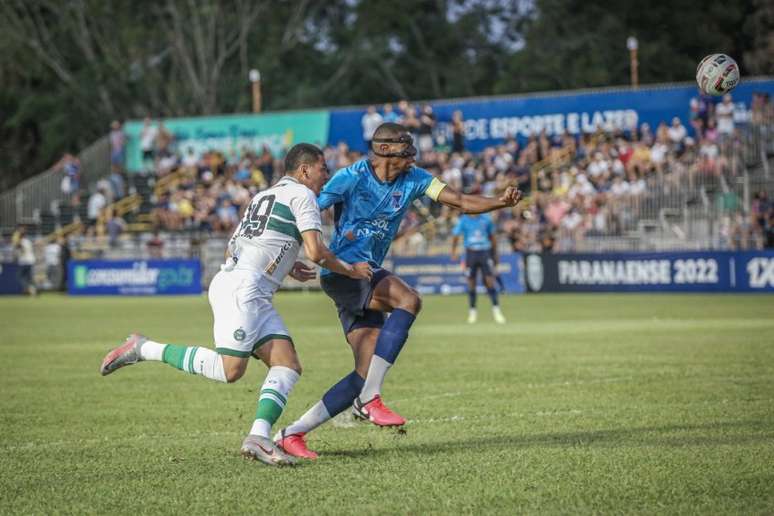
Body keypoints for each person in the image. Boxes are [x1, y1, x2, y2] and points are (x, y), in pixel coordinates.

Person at [98, 143, 372, 467]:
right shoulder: (304, 196)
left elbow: (239, 247)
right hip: (245, 290)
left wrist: (287, 265)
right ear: (305, 170)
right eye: (323, 169)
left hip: (245, 285)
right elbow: (316, 251)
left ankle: (258, 436)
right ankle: (143, 348)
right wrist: (351, 270)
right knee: (231, 371)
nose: (326, 176)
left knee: (287, 364)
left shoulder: (263, 196)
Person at [274, 122, 522, 459]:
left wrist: (500, 203)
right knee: (409, 299)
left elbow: (460, 200)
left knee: (363, 373)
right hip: (345, 273)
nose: (414, 154)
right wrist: (285, 259)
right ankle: (370, 399)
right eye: (407, 147)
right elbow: (304, 211)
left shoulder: (415, 178)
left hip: (365, 274)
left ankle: (292, 433)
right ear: (386, 149)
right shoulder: (350, 177)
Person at [450, 213, 506, 324]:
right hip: (470, 253)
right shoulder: (464, 220)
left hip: (485, 252)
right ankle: (472, 312)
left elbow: (492, 237)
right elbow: (455, 235)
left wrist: (495, 254)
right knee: (471, 283)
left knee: (490, 281)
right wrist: (453, 251)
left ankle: (496, 310)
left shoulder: (486, 219)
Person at [12, 225, 36, 296]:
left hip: (24, 261)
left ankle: (28, 290)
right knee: (29, 278)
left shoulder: (21, 241)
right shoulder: (28, 241)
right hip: (30, 261)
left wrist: (16, 240)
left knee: (21, 277)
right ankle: (32, 291)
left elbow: (20, 249)